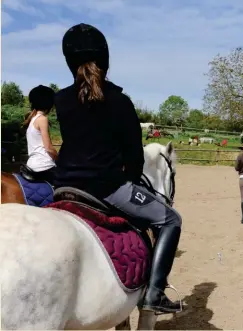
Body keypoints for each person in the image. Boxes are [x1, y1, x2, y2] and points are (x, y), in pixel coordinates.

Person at [53, 23, 182, 314]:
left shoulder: (60, 100)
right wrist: (130, 181)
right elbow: (134, 156)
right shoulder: (120, 101)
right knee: (171, 219)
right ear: (105, 57)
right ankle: (154, 293)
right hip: (107, 188)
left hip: (63, 187)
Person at [23, 85, 58, 183]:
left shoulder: (32, 120)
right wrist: (59, 158)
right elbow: (48, 148)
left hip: (31, 164)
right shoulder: (43, 119)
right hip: (44, 165)